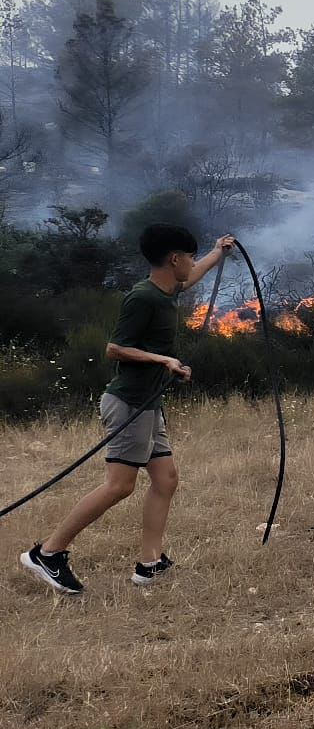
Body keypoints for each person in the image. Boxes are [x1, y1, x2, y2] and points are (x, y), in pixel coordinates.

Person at [20, 222, 235, 595]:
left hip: (148, 405)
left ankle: (149, 564)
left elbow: (193, 277)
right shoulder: (143, 297)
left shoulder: (168, 289)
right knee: (120, 486)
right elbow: (114, 349)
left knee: (166, 479)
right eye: (190, 256)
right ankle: (48, 553)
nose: (192, 262)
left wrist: (219, 251)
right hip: (128, 404)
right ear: (174, 258)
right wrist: (163, 360)